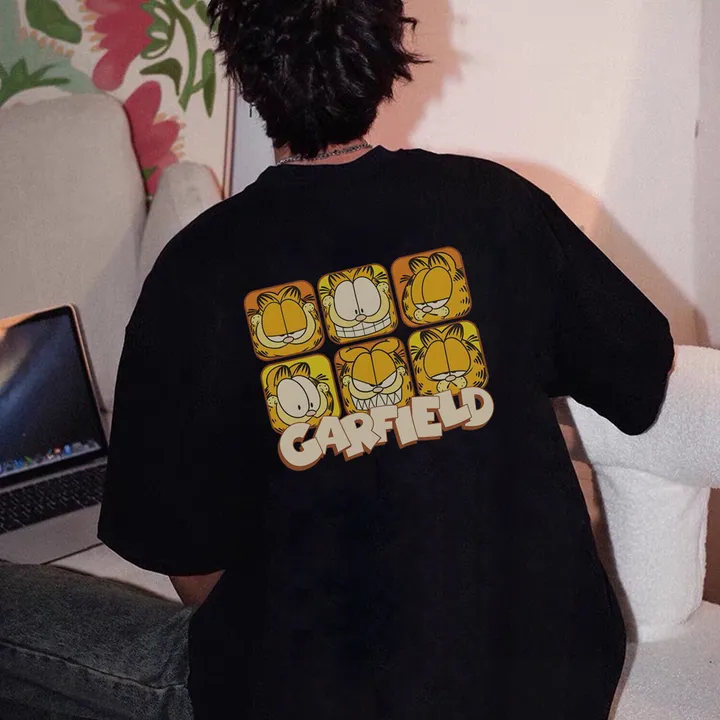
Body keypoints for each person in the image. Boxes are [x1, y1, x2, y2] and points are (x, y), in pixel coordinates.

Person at [0, 0, 675, 718]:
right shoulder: (498, 205)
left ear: (244, 72)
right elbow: (638, 372)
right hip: (557, 687)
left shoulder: (198, 271)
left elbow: (187, 562)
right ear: (386, 55)